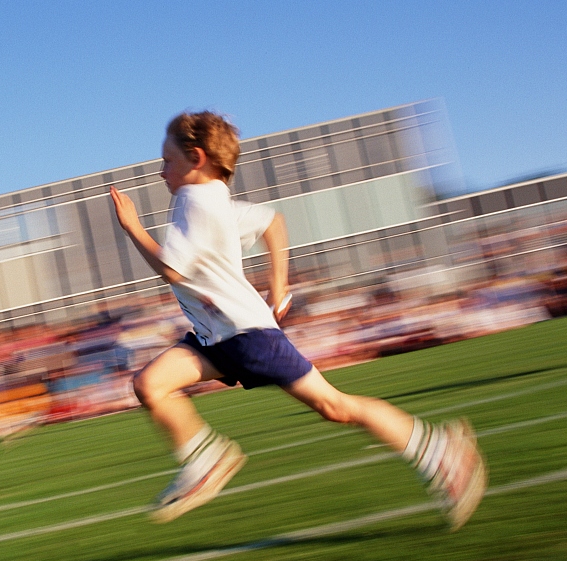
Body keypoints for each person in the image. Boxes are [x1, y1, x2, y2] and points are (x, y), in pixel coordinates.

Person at [110, 110, 487, 527]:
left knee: (335, 406)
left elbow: (173, 270)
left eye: (166, 160)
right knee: (150, 384)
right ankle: (206, 459)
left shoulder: (194, 203)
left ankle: (441, 451)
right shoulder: (216, 199)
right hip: (217, 336)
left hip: (245, 336)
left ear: (196, 158)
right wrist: (279, 286)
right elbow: (274, 222)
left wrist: (132, 226)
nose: (161, 171)